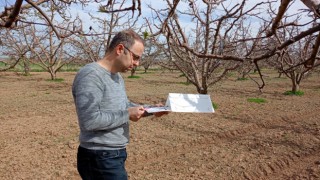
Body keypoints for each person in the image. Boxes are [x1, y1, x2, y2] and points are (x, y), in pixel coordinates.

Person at [72, 29, 167, 180]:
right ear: (120, 49)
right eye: (135, 57)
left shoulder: (116, 77)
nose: (137, 63)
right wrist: (128, 114)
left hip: (113, 155)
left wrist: (152, 109)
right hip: (99, 157)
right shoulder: (91, 76)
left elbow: (123, 105)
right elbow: (89, 121)